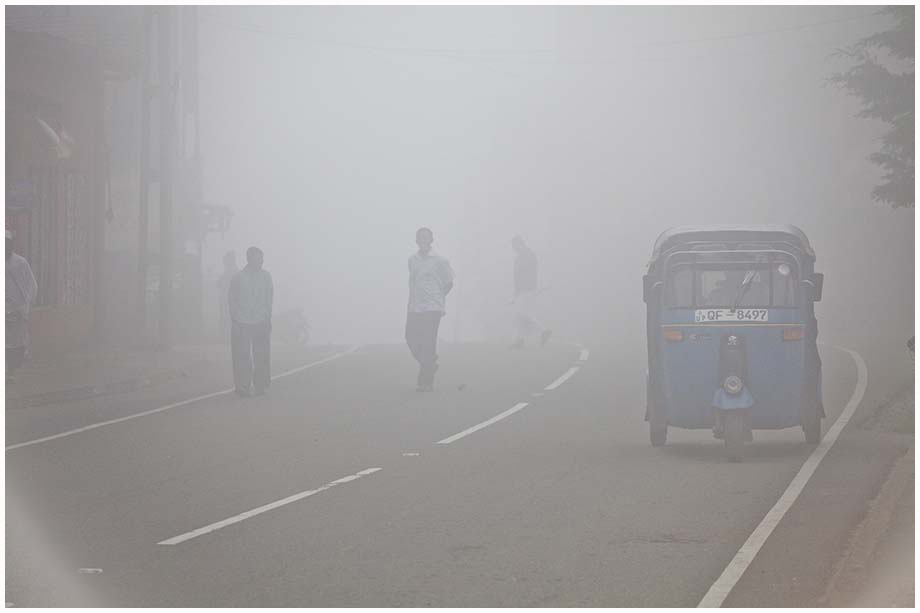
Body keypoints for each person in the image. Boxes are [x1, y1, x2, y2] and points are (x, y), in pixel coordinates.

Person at [406, 227, 454, 392]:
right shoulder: (412, 260)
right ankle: (429, 364)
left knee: (428, 342)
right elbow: (413, 282)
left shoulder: (440, 260)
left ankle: (426, 382)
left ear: (431, 240)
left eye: (426, 237)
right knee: (410, 338)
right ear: (417, 240)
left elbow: (449, 282)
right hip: (414, 306)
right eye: (420, 237)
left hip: (432, 307)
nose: (423, 240)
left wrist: (438, 298)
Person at [228, 246, 273, 397]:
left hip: (261, 321)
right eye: (257, 258)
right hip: (242, 322)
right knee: (241, 356)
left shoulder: (266, 277)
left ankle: (261, 385)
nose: (260, 261)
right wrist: (235, 318)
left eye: (261, 258)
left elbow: (269, 299)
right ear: (249, 259)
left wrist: (268, 317)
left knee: (261, 356)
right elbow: (232, 300)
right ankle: (242, 387)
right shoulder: (238, 278)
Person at [6, 230, 37, 381]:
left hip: (17, 312)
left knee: (17, 343)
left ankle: (11, 370)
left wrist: (25, 307)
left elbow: (31, 284)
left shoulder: (20, 262)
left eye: (7, 243)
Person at [510, 236, 551, 349]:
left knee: (522, 314)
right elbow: (517, 275)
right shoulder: (522, 256)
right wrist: (516, 291)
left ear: (520, 244)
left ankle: (543, 331)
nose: (514, 249)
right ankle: (520, 340)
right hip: (523, 289)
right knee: (519, 316)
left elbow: (523, 273)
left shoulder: (527, 255)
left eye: (515, 246)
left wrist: (520, 289)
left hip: (527, 289)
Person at [216, 250, 238, 341]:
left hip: (229, 301)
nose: (224, 263)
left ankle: (226, 337)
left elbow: (219, 284)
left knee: (227, 319)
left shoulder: (229, 273)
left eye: (225, 261)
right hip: (230, 301)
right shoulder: (235, 272)